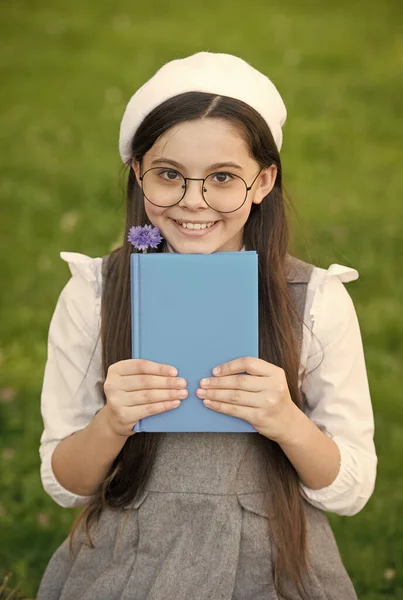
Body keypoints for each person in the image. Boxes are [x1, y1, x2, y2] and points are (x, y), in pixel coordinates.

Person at [36, 52, 377, 600]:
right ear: (137, 172)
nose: (194, 202)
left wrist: (286, 420)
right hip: (128, 562)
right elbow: (67, 486)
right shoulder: (95, 292)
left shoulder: (314, 301)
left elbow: (351, 489)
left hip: (272, 565)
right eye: (170, 175)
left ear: (263, 181)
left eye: (223, 178)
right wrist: (111, 422)